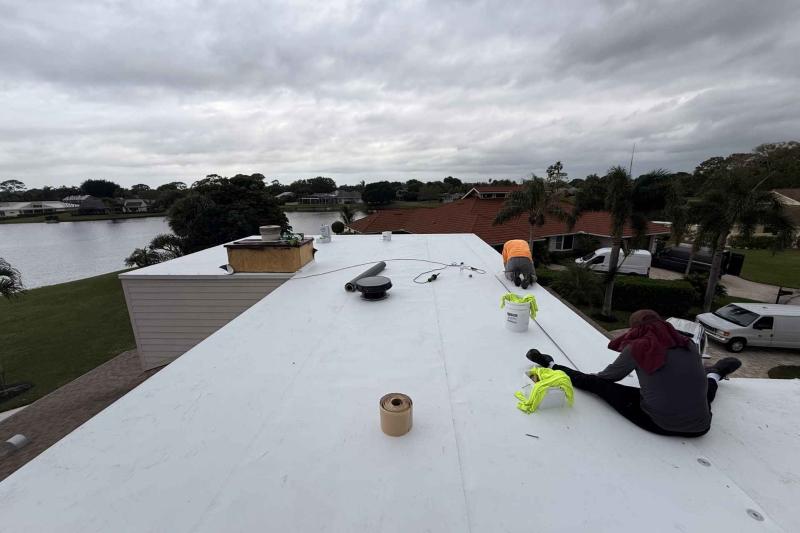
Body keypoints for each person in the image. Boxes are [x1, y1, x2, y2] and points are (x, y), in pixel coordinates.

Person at [525, 309, 742, 437]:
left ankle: (551, 364)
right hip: (702, 425)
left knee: (599, 386)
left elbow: (606, 378)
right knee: (701, 392)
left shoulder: (639, 347)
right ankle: (716, 374)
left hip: (660, 423)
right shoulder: (687, 344)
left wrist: (591, 378)